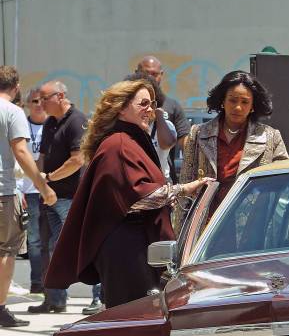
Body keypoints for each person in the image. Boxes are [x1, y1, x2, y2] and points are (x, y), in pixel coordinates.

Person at [43, 80, 207, 308]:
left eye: (152, 104)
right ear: (121, 108)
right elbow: (137, 197)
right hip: (127, 250)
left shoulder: (130, 141)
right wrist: (183, 189)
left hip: (135, 247)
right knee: (132, 319)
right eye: (143, 104)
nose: (150, 110)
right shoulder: (119, 145)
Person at [180, 70, 289, 218]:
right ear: (223, 101)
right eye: (232, 100)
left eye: (245, 102)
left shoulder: (270, 136)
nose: (238, 107)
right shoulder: (199, 133)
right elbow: (185, 186)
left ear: (253, 106)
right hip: (207, 224)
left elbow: (284, 183)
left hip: (253, 225)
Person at [0, 66, 56, 327]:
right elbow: (21, 151)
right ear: (17, 86)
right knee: (6, 250)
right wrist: (43, 187)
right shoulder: (12, 113)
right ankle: (0, 309)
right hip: (3, 191)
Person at [27, 81, 87, 314]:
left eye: (44, 98)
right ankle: (53, 299)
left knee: (80, 247)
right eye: (38, 99)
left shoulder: (76, 121)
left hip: (70, 197)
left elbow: (77, 160)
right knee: (47, 247)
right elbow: (42, 156)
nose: (41, 104)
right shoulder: (51, 122)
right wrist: (42, 184)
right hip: (49, 196)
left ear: (60, 96)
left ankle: (98, 296)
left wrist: (48, 178)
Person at [136, 56, 190, 183]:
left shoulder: (171, 106)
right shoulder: (124, 104)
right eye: (145, 73)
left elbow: (186, 144)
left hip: (163, 181)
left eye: (154, 74)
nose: (150, 78)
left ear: (161, 75)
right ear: (136, 73)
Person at [15, 88, 47, 294]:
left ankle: (54, 283)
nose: (39, 104)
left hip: (50, 189)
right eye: (34, 100)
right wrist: (20, 191)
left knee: (52, 240)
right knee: (34, 240)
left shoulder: (52, 125)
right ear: (28, 104)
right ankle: (37, 281)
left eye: (42, 100)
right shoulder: (22, 125)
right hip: (29, 190)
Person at [124, 72, 177, 183]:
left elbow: (167, 143)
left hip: (161, 182)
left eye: (151, 103)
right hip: (135, 182)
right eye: (143, 103)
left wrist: (159, 115)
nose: (148, 109)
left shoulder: (162, 125)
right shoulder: (125, 128)